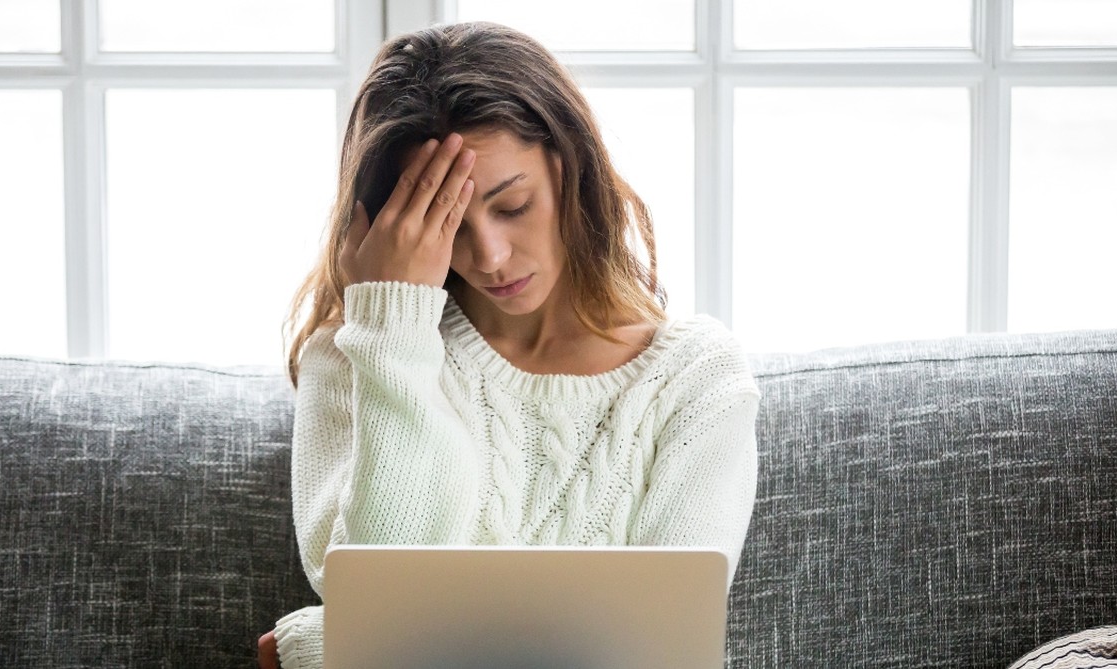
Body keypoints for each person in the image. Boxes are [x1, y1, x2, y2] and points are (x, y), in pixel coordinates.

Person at [258, 21, 760, 669]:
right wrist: (392, 327)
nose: (490, 257)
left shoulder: (698, 377)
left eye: (512, 204)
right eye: (448, 226)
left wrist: (323, 646)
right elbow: (380, 586)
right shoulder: (359, 351)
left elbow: (666, 647)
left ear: (568, 168)